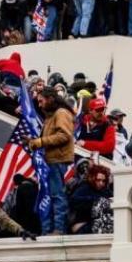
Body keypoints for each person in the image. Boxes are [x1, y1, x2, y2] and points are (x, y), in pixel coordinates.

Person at [26, 87, 75, 234]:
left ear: (50, 99)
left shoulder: (61, 113)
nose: (39, 105)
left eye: (41, 101)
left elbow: (64, 135)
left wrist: (40, 142)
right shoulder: (50, 116)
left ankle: (59, 229)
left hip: (57, 161)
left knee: (57, 195)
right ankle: (48, 229)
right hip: (50, 162)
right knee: (49, 195)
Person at [68, 164, 112, 234]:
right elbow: (74, 201)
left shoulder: (105, 191)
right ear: (93, 178)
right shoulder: (84, 187)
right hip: (82, 226)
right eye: (98, 180)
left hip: (95, 224)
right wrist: (97, 201)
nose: (101, 183)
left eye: (103, 181)